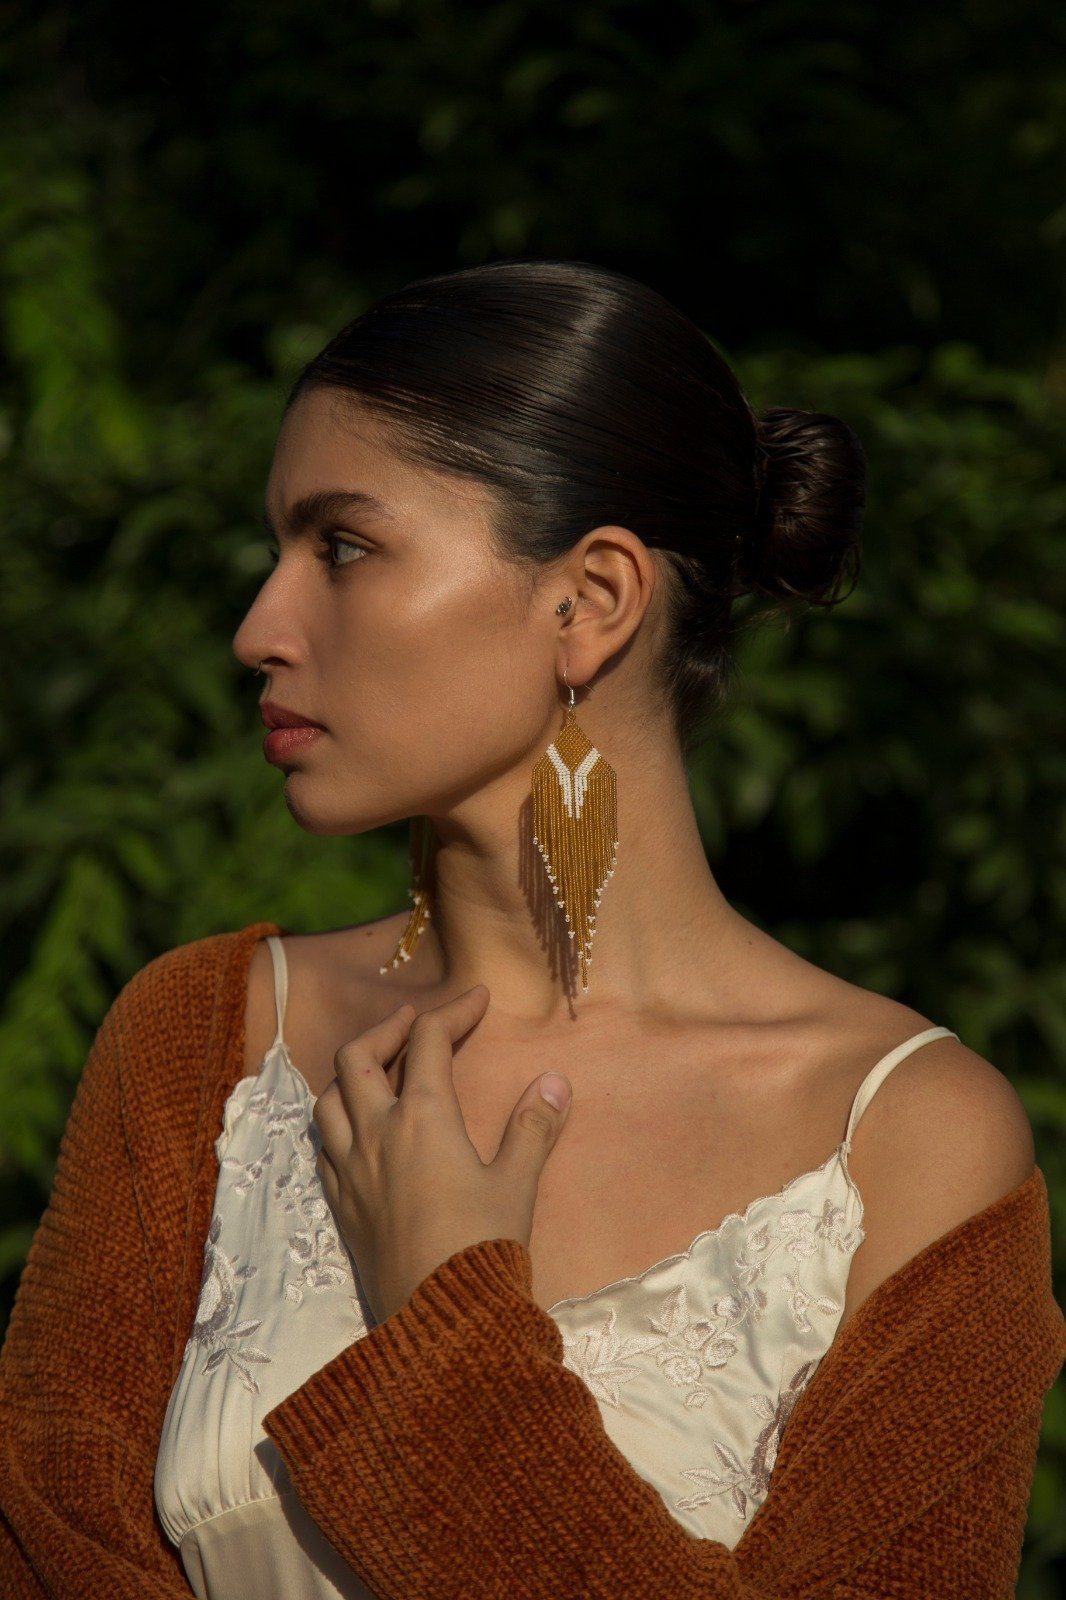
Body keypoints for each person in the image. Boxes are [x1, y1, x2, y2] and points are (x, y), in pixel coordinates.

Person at [1, 260, 1059, 1599]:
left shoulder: (906, 1139)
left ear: (590, 600)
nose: (257, 628)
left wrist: (443, 1319)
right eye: (275, 552)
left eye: (341, 547)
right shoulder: (199, 1042)